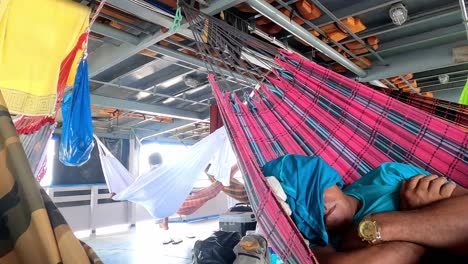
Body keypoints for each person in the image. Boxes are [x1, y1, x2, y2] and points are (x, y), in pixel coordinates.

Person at [262, 154, 468, 264]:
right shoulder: (317, 247)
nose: (321, 208)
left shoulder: (387, 176)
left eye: (316, 192)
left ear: (328, 177)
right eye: (304, 214)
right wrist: (414, 219)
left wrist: (381, 228)